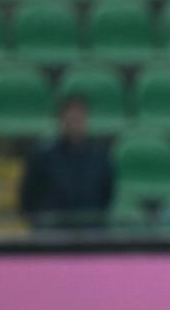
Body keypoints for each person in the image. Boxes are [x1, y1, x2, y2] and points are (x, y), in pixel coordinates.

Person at [20, 96, 113, 229]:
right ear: (61, 120)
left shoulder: (100, 157)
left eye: (79, 118)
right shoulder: (42, 156)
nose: (74, 122)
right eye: (70, 118)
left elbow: (107, 193)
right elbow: (29, 195)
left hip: (90, 229)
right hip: (53, 230)